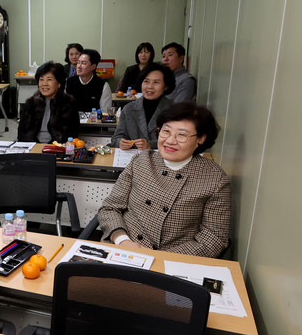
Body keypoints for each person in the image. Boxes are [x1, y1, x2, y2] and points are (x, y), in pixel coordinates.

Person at [97, 102, 231, 258]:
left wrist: (161, 258)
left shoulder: (215, 179)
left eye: (181, 135)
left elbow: (214, 238)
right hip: (123, 249)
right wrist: (122, 240)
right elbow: (110, 208)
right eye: (166, 131)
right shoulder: (141, 161)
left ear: (200, 139)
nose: (170, 140)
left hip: (174, 260)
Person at [110, 63, 175, 150]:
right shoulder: (128, 109)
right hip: (132, 156)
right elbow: (116, 138)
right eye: (146, 81)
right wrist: (120, 142)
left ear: (166, 86)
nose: (150, 86)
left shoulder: (174, 110)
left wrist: (150, 145)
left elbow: (176, 140)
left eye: (156, 82)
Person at [17, 61, 79, 143]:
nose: (44, 84)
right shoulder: (31, 103)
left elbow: (72, 133)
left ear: (59, 83)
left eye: (49, 79)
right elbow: (21, 133)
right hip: (33, 146)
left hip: (57, 147)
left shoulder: (68, 104)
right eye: (41, 79)